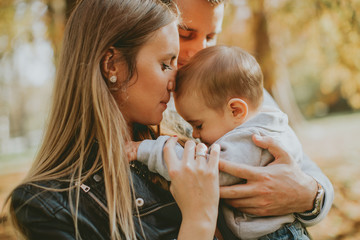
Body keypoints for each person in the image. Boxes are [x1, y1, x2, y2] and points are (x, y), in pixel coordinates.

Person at [5, 1, 222, 239]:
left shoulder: (187, 139)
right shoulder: (49, 207)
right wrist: (199, 220)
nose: (175, 79)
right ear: (111, 64)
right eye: (164, 64)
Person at [161, 0, 334, 232]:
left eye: (211, 36)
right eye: (185, 34)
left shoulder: (234, 87)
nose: (201, 49)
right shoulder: (151, 99)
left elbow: (308, 169)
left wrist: (308, 195)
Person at [129, 45, 313, 239]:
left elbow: (202, 171)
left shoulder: (252, 140)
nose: (195, 134)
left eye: (199, 125)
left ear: (235, 110)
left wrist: (145, 150)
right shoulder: (271, 124)